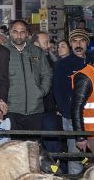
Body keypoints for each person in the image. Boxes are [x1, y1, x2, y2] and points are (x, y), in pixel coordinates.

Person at [53, 29, 90, 175]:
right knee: (75, 157)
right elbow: (57, 90)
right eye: (74, 41)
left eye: (81, 40)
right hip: (71, 118)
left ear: (87, 42)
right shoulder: (63, 64)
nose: (78, 44)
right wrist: (66, 112)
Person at [5, 20, 52, 132]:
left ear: (27, 34)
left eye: (22, 32)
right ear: (10, 33)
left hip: (35, 109)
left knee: (33, 145)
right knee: (14, 146)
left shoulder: (37, 52)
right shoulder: (3, 51)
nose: (19, 35)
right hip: (12, 109)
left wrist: (41, 91)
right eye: (15, 31)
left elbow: (46, 74)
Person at [33, 31, 63, 166]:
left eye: (49, 42)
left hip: (49, 110)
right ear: (35, 43)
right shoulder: (26, 59)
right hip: (32, 111)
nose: (49, 45)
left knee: (53, 146)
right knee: (33, 148)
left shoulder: (51, 60)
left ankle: (55, 172)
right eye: (46, 43)